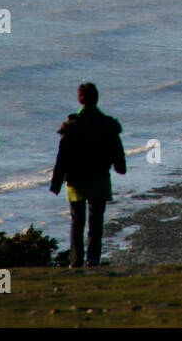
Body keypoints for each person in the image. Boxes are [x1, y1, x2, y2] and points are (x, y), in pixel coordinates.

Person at [49, 83, 126, 268]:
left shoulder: (71, 127)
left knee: (77, 222)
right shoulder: (108, 126)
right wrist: (120, 167)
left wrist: (56, 183)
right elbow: (118, 153)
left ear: (79, 99)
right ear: (96, 99)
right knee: (96, 222)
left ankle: (76, 260)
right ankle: (93, 259)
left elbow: (62, 158)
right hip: (100, 179)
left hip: (75, 182)